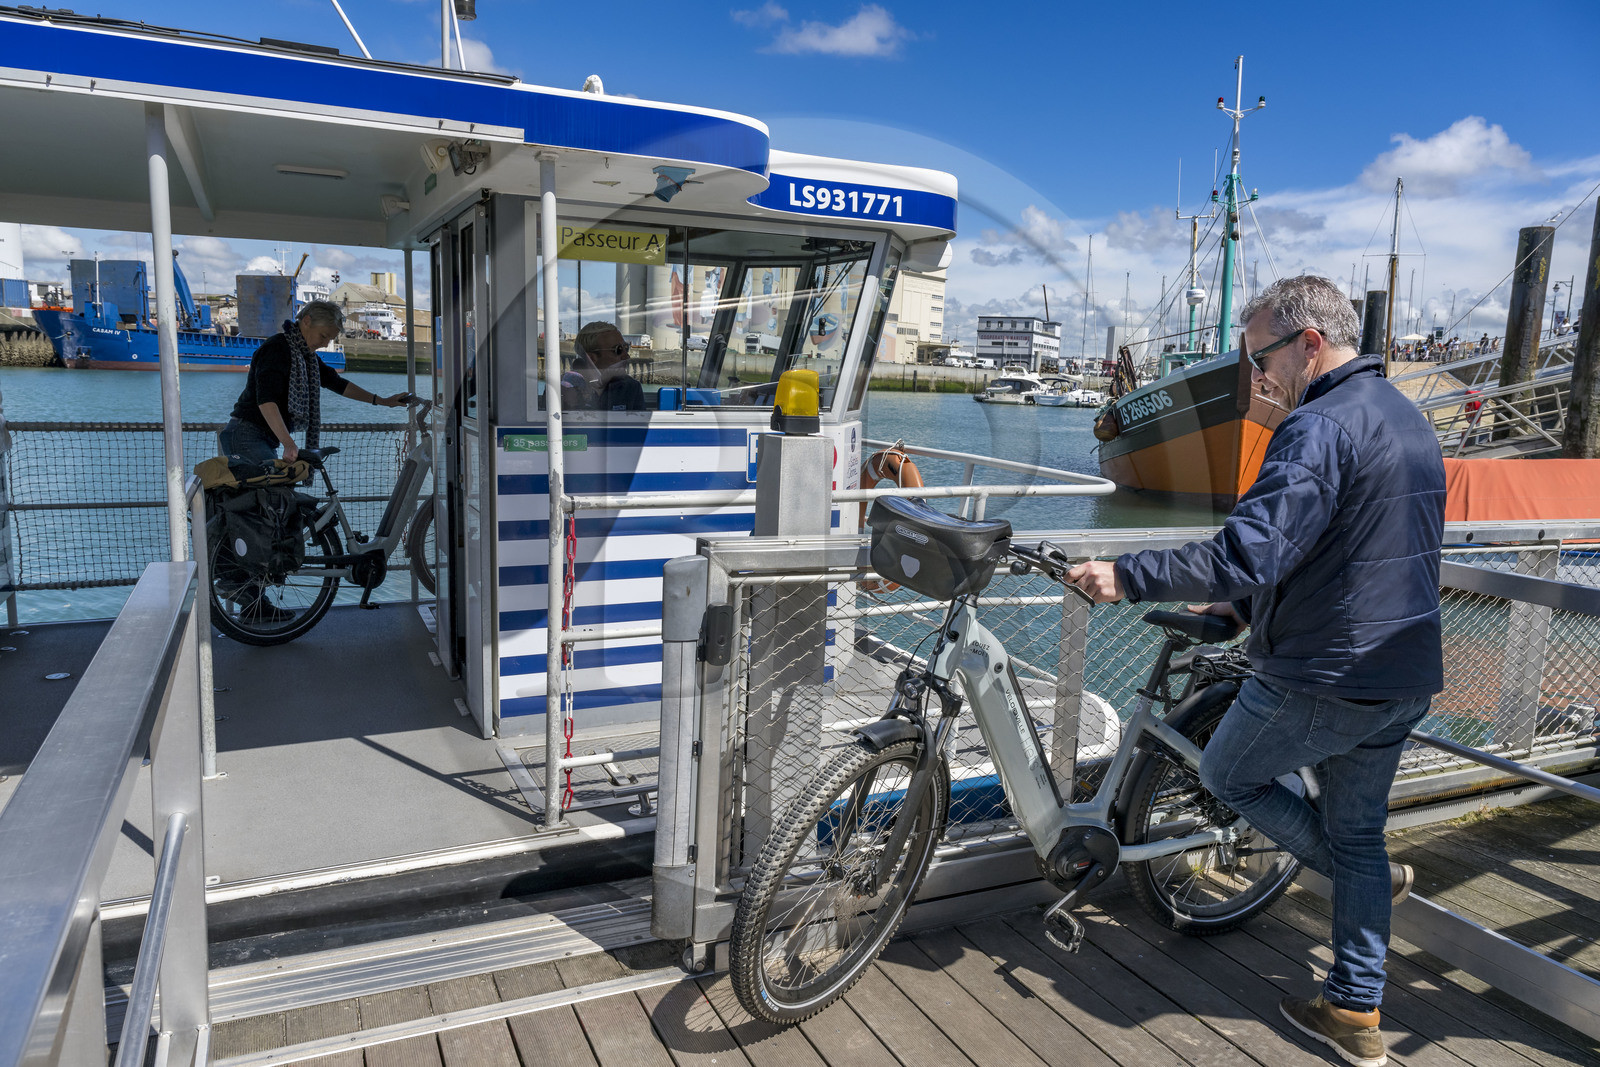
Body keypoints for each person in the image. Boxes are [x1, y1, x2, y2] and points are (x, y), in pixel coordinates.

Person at [1068, 275, 1445, 1067]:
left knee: (1229, 771)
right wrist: (1239, 613)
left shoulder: (1316, 428)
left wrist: (1126, 574)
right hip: (1401, 673)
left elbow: (1251, 549)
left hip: (1325, 675)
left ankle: (1363, 876)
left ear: (1310, 343)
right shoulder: (1411, 420)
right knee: (1356, 829)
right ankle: (1353, 1010)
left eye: (1262, 356)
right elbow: (1348, 549)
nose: (1257, 378)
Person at [220, 300, 407, 465]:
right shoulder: (277, 348)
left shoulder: (307, 357)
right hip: (246, 433)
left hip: (264, 437)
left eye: (330, 339)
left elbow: (337, 383)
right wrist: (288, 443)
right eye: (323, 336)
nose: (325, 344)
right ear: (307, 321)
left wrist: (381, 400)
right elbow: (266, 401)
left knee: (276, 496)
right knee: (274, 495)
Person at [572, 320, 644, 411]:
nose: (627, 356)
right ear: (592, 358)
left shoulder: (631, 388)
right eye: (618, 350)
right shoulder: (568, 386)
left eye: (626, 348)